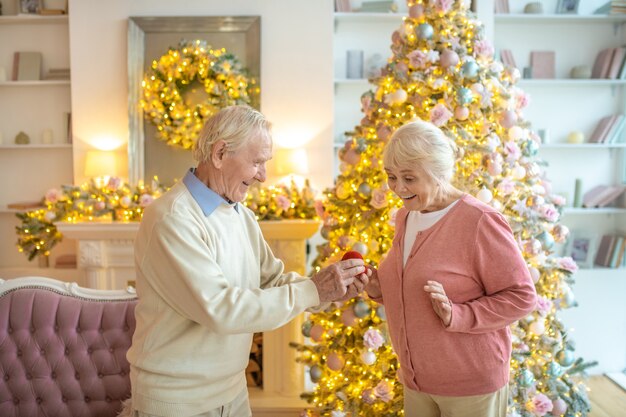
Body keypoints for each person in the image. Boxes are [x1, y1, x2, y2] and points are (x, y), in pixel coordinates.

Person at [123, 105, 369, 417]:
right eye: (257, 162)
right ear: (220, 153)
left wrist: (329, 290)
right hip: (178, 402)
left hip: (232, 392)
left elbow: (273, 281)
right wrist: (314, 291)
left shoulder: (240, 214)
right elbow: (222, 309)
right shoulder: (172, 219)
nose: (264, 176)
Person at [365, 120, 537, 417]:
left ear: (439, 174)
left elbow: (521, 296)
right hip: (416, 381)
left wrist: (459, 314)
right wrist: (376, 286)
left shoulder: (479, 221)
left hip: (471, 385)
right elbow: (410, 282)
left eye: (409, 178)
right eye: (391, 177)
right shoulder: (407, 217)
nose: (397, 188)